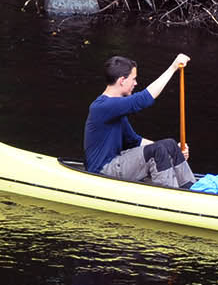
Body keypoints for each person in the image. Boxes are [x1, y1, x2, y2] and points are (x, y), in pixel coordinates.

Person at [84, 53, 196, 188]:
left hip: (117, 163)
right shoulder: (102, 106)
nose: (136, 83)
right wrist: (173, 68)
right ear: (122, 81)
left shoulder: (115, 110)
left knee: (169, 144)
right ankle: (170, 197)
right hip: (102, 170)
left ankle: (191, 188)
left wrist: (173, 152)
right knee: (157, 151)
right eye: (134, 79)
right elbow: (144, 99)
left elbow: (135, 141)